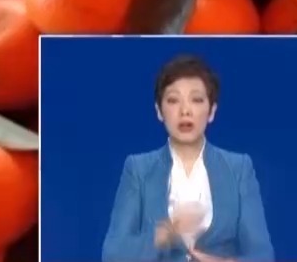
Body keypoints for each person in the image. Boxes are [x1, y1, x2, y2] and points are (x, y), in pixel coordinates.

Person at [102, 54, 273, 262]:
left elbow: (262, 254)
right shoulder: (138, 169)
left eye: (196, 100)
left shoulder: (239, 169)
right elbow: (113, 254)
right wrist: (164, 233)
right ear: (159, 111)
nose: (185, 111)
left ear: (211, 111)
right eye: (173, 100)